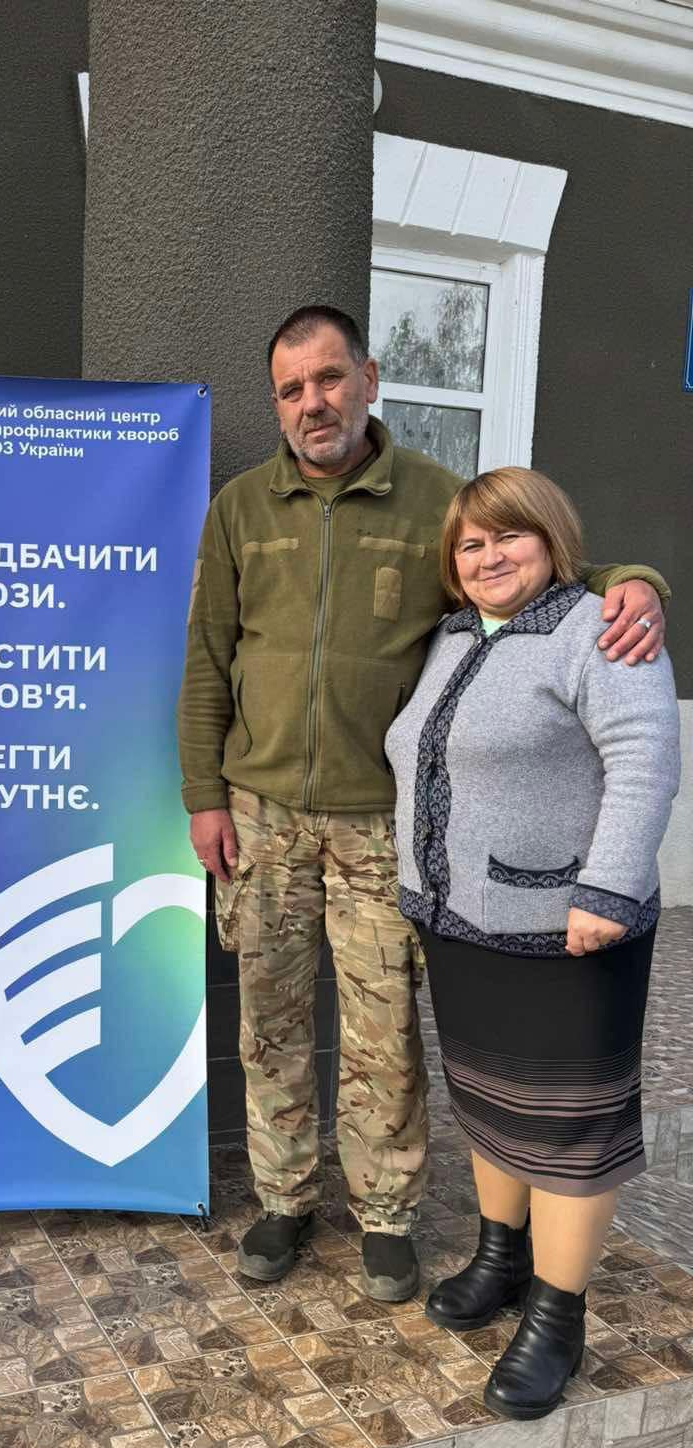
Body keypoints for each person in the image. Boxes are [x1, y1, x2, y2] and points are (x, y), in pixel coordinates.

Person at [177, 303, 669, 1303]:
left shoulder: (436, 501)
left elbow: (545, 567)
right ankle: (284, 1199)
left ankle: (387, 1214)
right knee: (269, 1019)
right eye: (290, 389)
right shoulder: (240, 507)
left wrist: (637, 580)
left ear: (368, 379)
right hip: (261, 810)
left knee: (383, 1028)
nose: (312, 402)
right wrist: (203, 796)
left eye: (329, 378)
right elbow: (207, 655)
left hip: (380, 821)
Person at [384, 467, 679, 1418]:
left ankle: (558, 1315)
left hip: (567, 928)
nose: (488, 557)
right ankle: (501, 1258)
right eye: (470, 544)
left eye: (508, 536)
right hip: (463, 923)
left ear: (552, 539)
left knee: (569, 1131)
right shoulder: (451, 636)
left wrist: (608, 888)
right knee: (489, 1102)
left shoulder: (602, 630)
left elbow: (644, 760)